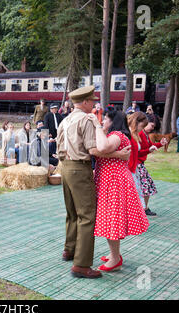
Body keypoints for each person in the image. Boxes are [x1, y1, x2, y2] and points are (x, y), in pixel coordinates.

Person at [56, 86, 131, 279]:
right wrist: (118, 155)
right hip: (79, 169)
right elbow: (94, 150)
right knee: (87, 217)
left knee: (72, 212)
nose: (94, 105)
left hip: (64, 166)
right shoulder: (86, 120)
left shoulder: (65, 120)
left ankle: (69, 249)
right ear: (85, 102)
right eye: (92, 101)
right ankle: (81, 265)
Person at [93, 107, 149, 272]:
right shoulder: (116, 136)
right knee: (110, 220)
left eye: (106, 119)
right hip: (112, 181)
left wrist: (98, 127)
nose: (103, 121)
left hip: (114, 182)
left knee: (112, 221)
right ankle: (114, 254)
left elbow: (101, 149)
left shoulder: (117, 136)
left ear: (113, 121)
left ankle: (115, 258)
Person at [138, 115, 168, 216]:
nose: (152, 128)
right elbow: (137, 152)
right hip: (137, 165)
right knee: (145, 187)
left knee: (147, 187)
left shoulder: (145, 134)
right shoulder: (140, 134)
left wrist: (160, 144)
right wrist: (148, 150)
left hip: (140, 165)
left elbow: (150, 146)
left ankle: (144, 208)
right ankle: (143, 208)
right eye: (151, 125)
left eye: (154, 126)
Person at [127, 112, 148, 209]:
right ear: (136, 122)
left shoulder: (134, 135)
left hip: (133, 170)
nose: (142, 128)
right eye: (142, 126)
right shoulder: (128, 134)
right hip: (129, 170)